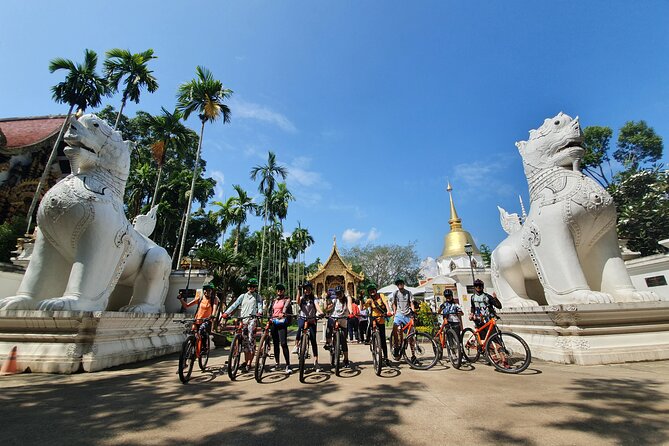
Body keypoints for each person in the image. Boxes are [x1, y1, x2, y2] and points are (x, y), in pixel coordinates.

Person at [222, 278, 264, 373]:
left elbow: (260, 306)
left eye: (253, 286)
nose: (251, 288)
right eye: (249, 286)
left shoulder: (257, 297)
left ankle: (249, 363)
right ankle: (244, 361)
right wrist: (226, 313)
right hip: (243, 319)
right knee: (243, 342)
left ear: (255, 287)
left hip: (252, 319)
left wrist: (259, 313)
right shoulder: (243, 296)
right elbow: (234, 305)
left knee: (250, 341)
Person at [178, 283, 219, 351]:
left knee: (202, 330)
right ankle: (192, 347)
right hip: (197, 320)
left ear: (211, 291)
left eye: (209, 290)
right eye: (205, 290)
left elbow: (214, 309)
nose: (207, 292)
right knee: (193, 332)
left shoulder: (214, 299)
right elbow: (186, 305)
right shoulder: (200, 298)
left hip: (206, 320)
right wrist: (180, 299)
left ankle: (204, 347)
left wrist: (212, 316)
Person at [294, 281, 324, 372]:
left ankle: (316, 362)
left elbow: (317, 306)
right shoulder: (302, 298)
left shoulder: (314, 299)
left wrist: (321, 312)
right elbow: (297, 301)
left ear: (311, 290)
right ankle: (296, 345)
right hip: (303, 318)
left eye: (309, 289)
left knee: (313, 340)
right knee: (300, 327)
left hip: (312, 320)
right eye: (305, 289)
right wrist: (298, 291)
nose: (307, 290)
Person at [323, 285, 353, 368]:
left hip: (343, 320)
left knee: (343, 341)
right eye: (337, 293)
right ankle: (328, 343)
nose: (339, 295)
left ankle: (346, 359)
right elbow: (326, 308)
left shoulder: (347, 298)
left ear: (343, 292)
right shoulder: (334, 300)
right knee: (329, 327)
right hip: (334, 318)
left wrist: (351, 313)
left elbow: (350, 305)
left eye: (340, 293)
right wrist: (326, 299)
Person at [364, 283, 392, 366]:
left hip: (381, 318)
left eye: (373, 290)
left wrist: (388, 311)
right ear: (369, 292)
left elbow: (386, 303)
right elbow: (363, 307)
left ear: (376, 290)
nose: (372, 292)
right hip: (373, 317)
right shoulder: (369, 300)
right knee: (369, 325)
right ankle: (368, 338)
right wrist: (362, 299)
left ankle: (386, 358)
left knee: (383, 340)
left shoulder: (381, 296)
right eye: (370, 291)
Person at [389, 277, 414, 360]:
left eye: (401, 283)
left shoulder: (408, 293)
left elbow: (411, 303)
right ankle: (396, 346)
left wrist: (413, 312)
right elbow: (394, 304)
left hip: (407, 314)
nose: (400, 285)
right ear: (397, 285)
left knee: (411, 335)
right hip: (399, 314)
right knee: (395, 328)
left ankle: (413, 354)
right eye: (398, 284)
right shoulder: (395, 293)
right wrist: (394, 312)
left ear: (403, 284)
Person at [270, 283, 292, 374]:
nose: (279, 292)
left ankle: (288, 365)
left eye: (281, 290)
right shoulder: (274, 300)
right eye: (278, 290)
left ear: (284, 291)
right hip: (274, 322)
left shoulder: (286, 300)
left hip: (282, 322)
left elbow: (287, 309)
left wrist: (283, 313)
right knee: (275, 344)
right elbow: (271, 310)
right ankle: (277, 363)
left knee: (283, 343)